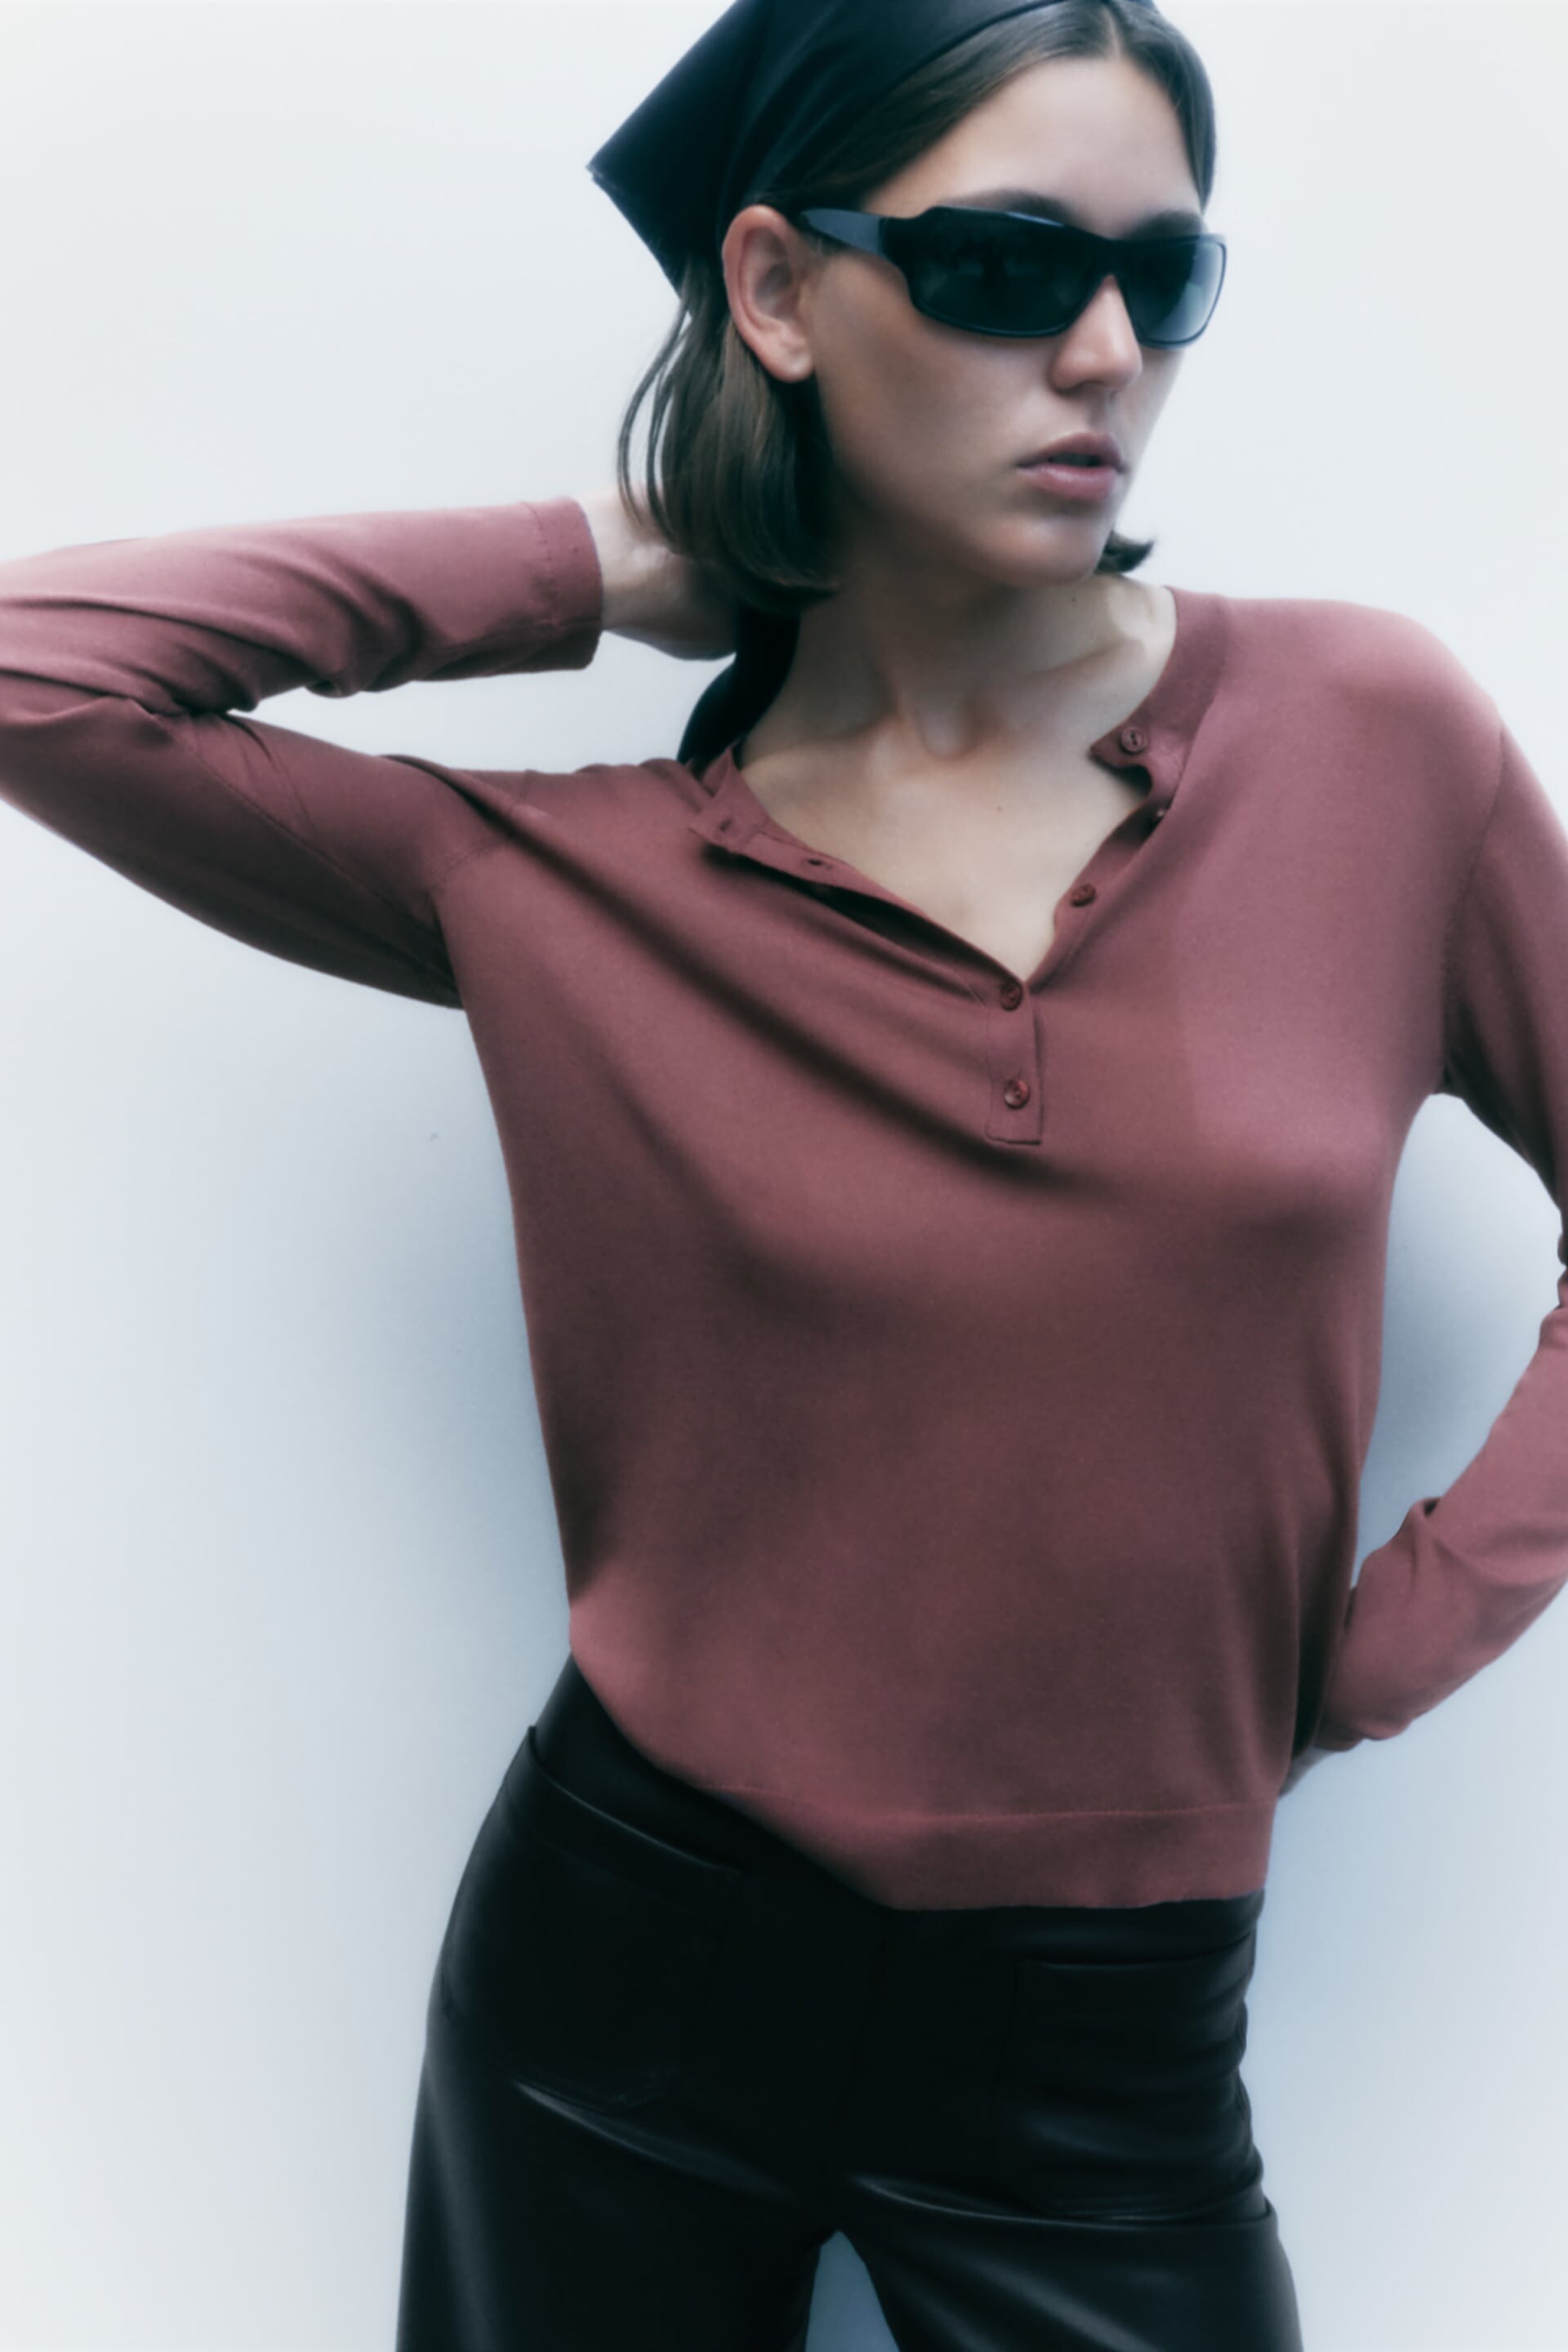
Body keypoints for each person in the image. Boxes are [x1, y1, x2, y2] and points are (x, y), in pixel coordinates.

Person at [2, 2, 1566, 2347]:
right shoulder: (559, 883)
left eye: (1166, 276)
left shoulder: (1374, 740)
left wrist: (1392, 1642)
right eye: (1006, 267)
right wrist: (605, 561)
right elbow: (38, 672)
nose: (1108, 354)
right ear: (775, 288)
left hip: (1109, 2045)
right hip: (621, 1980)